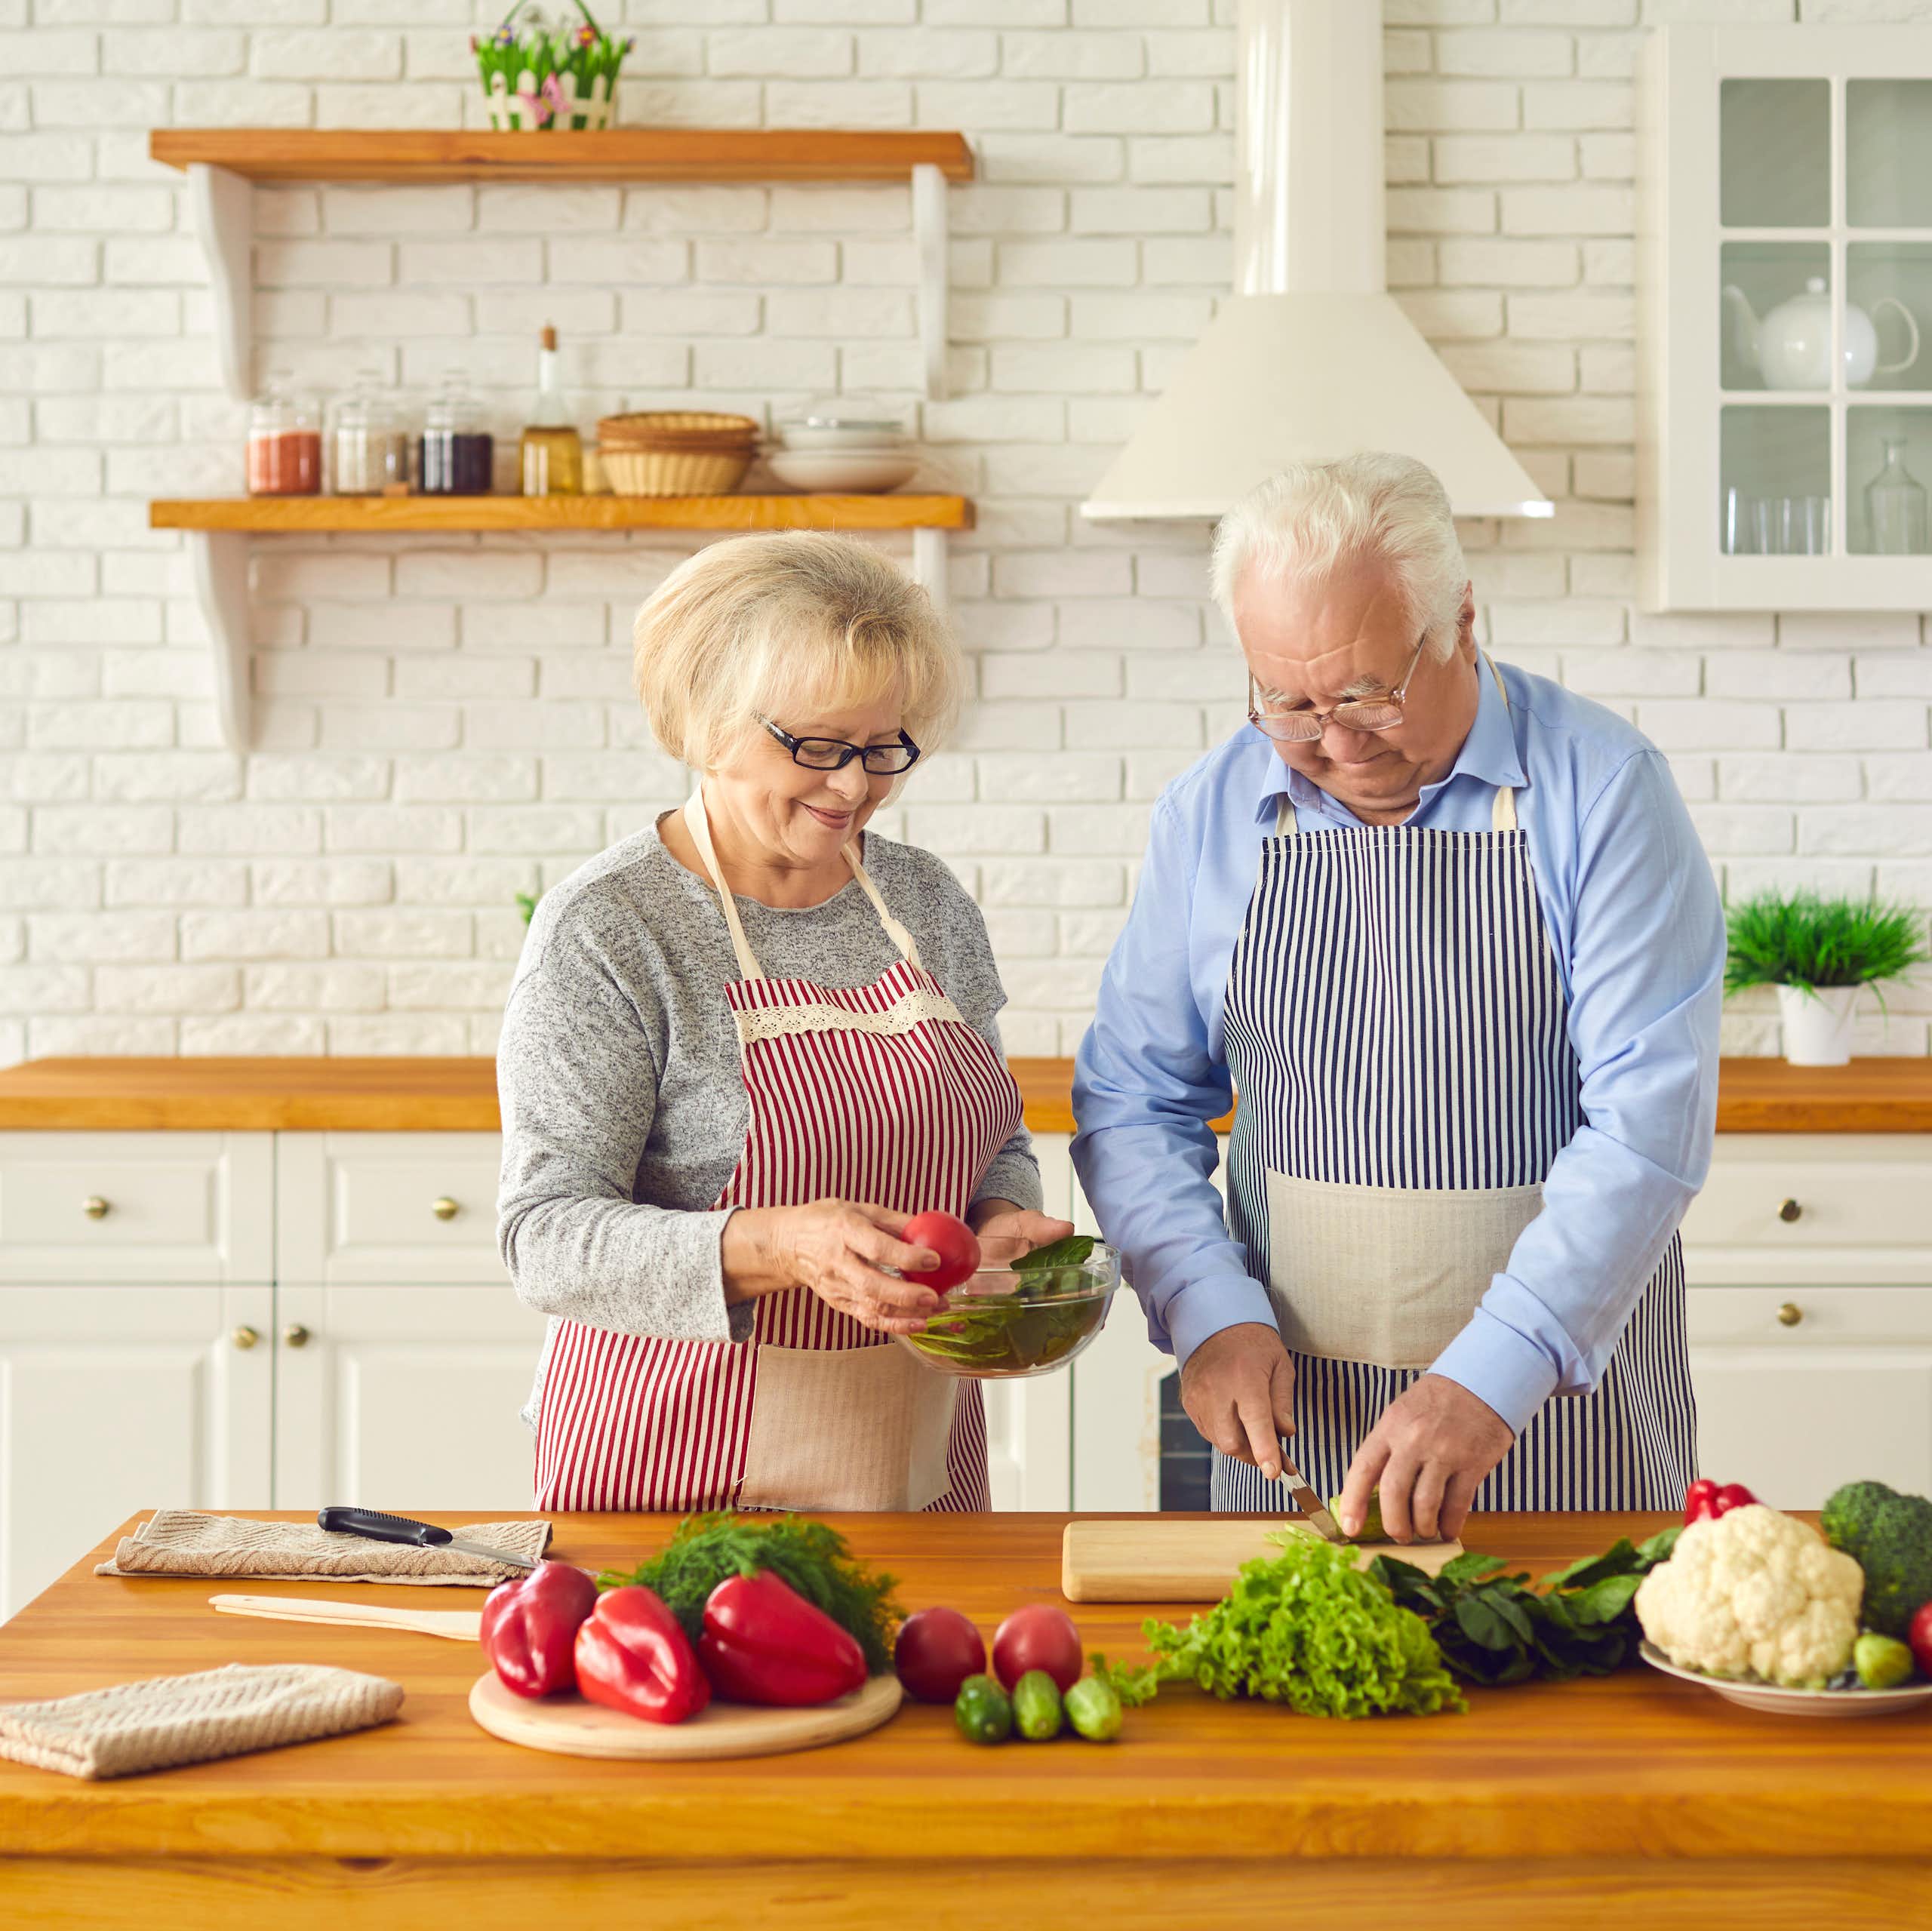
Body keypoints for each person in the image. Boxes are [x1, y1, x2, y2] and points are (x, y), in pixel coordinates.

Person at [1072, 453, 1724, 1542]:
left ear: (1464, 622)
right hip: (1293, 1425)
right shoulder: (1213, 810)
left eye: (1368, 694)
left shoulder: (1604, 791)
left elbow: (1647, 1130)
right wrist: (1204, 1310)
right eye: (1287, 702)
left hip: (1557, 1417)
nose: (1334, 742)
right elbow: (1136, 1099)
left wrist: (1493, 1376)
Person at [497, 531, 1071, 1513]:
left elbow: (997, 1135)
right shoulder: (611, 928)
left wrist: (1000, 1220)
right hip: (671, 1480)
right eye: (815, 747)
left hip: (910, 1469)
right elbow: (544, 1237)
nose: (855, 787)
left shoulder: (923, 901)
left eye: (884, 747)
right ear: (705, 721)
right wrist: (779, 1246)